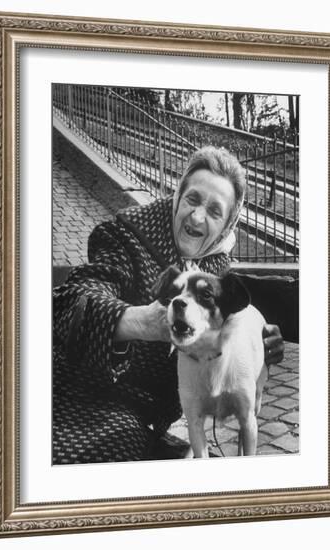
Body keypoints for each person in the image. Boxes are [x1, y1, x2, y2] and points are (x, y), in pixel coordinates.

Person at [52, 146, 285, 464]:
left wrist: (261, 342)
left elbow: (226, 343)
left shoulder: (216, 276)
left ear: (227, 227)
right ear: (177, 197)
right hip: (80, 402)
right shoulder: (123, 238)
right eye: (192, 199)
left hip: (148, 419)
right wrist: (141, 321)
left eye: (215, 211)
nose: (198, 216)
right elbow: (71, 304)